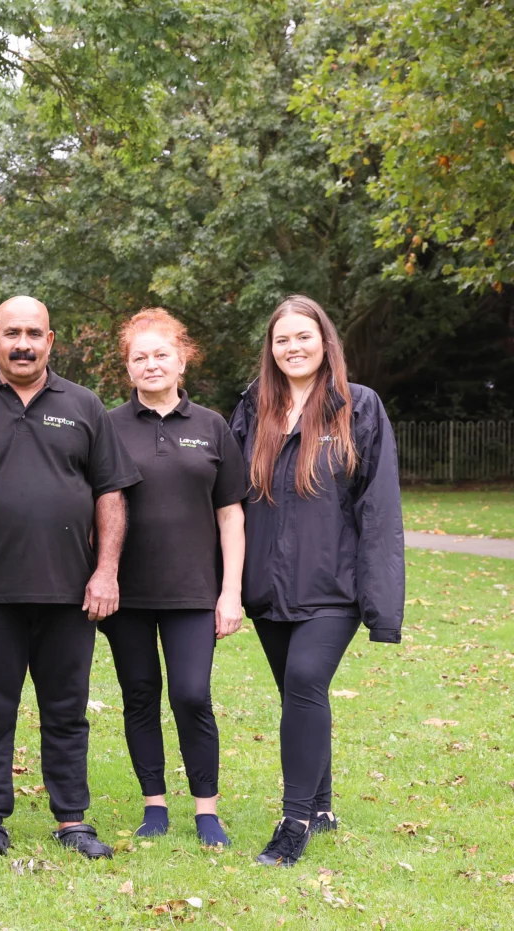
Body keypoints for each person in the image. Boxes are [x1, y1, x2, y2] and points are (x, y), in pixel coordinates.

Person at [0, 296, 141, 858]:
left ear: (50, 340)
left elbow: (110, 496)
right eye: (12, 333)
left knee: (67, 711)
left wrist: (106, 572)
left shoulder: (85, 406)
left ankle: (72, 819)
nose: (23, 343)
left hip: (71, 593)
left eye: (33, 333)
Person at [230, 295, 403, 868]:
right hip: (267, 587)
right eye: (282, 339)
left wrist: (380, 604)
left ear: (325, 342)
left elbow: (377, 508)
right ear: (271, 349)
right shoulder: (255, 407)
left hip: (333, 588)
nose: (293, 347)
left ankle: (295, 818)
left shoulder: (359, 407)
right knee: (300, 696)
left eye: (304, 336)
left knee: (304, 681)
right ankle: (324, 805)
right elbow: (228, 497)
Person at [101, 308, 246, 847]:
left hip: (194, 592)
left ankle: (206, 809)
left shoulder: (212, 427)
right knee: (139, 694)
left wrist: (230, 591)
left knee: (191, 695)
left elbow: (231, 513)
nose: (151, 364)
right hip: (127, 594)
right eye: (140, 357)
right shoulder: (108, 426)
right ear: (128, 368)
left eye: (161, 354)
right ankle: (154, 804)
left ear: (182, 360)